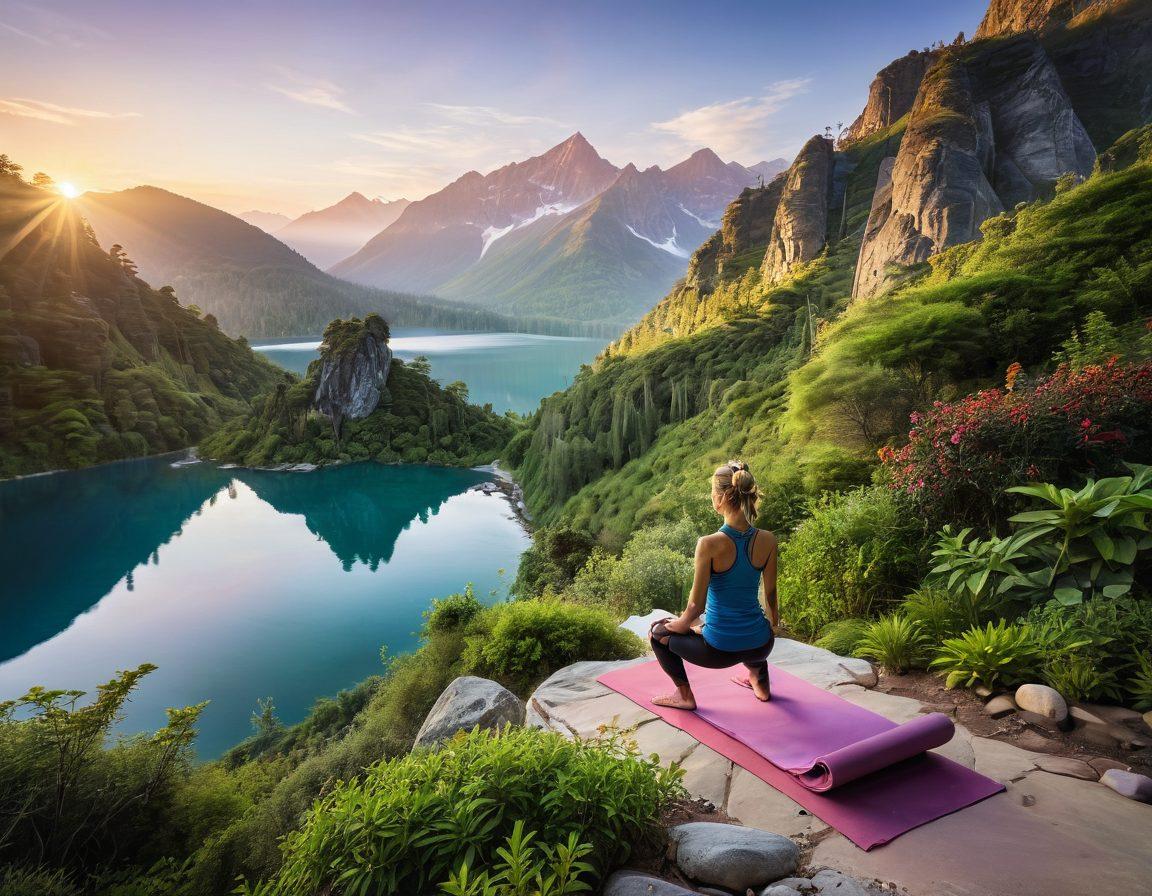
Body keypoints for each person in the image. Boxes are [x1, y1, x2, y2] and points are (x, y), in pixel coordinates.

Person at [649, 460, 779, 710]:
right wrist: (773, 625)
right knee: (752, 625)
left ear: (720, 498)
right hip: (762, 645)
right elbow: (771, 595)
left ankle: (684, 696)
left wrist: (677, 625)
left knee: (657, 633)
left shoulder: (708, 544)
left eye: (712, 492)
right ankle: (760, 683)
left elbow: (696, 606)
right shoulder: (768, 540)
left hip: (718, 652)